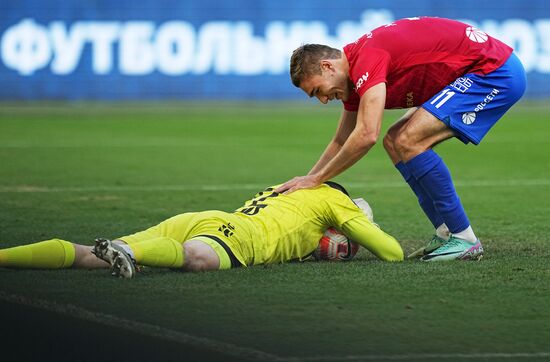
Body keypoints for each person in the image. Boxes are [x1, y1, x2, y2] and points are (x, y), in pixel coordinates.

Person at [277, 16, 526, 261]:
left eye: (317, 91)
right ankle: (446, 232)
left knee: (408, 139)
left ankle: (465, 238)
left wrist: (319, 179)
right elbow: (341, 141)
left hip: (494, 72)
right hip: (479, 71)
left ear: (328, 67)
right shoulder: (353, 77)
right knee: (394, 141)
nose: (322, 100)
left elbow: (366, 135)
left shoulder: (367, 59)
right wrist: (308, 180)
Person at [0, 182, 403, 278]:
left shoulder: (294, 189)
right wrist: (357, 230)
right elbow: (392, 253)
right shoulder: (333, 200)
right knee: (199, 260)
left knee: (90, 253)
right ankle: (131, 255)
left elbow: (297, 230)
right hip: (236, 236)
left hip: (203, 218)